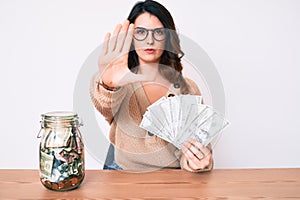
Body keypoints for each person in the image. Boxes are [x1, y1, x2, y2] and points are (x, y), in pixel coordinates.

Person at [90, 0, 213, 172]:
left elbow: (192, 146)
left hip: (172, 178)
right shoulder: (119, 83)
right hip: (122, 173)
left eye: (158, 33)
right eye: (141, 32)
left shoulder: (188, 89)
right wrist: (109, 85)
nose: (149, 40)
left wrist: (197, 162)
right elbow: (104, 106)